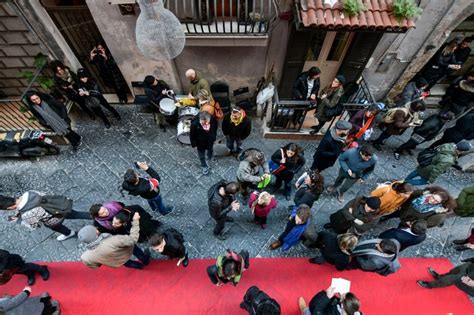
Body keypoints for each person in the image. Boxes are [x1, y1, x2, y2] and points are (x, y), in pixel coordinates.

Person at [0, 192, 90, 241]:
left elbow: (36, 226)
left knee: (57, 227)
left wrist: (19, 221)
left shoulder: (26, 214)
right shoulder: (29, 193)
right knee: (77, 214)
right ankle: (96, 216)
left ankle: (70, 233)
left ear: (9, 207)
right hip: (60, 208)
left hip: (54, 219)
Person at [78, 212, 150, 269]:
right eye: (95, 230)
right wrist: (135, 221)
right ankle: (145, 260)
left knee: (129, 263)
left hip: (118, 261)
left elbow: (95, 266)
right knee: (137, 251)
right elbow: (133, 239)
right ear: (95, 234)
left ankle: (139, 266)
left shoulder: (85, 256)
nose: (96, 229)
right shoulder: (114, 240)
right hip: (127, 250)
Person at [404, 140, 472, 186]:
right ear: (462, 151)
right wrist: (431, 180)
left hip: (426, 162)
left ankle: (404, 181)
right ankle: (404, 184)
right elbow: (437, 171)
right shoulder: (448, 160)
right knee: (424, 181)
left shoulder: (448, 145)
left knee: (417, 171)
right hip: (429, 170)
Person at [95, 204, 160, 243]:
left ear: (124, 223)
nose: (113, 224)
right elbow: (138, 207)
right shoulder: (126, 210)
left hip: (144, 227)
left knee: (149, 232)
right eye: (113, 221)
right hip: (146, 221)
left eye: (116, 224)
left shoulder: (128, 226)